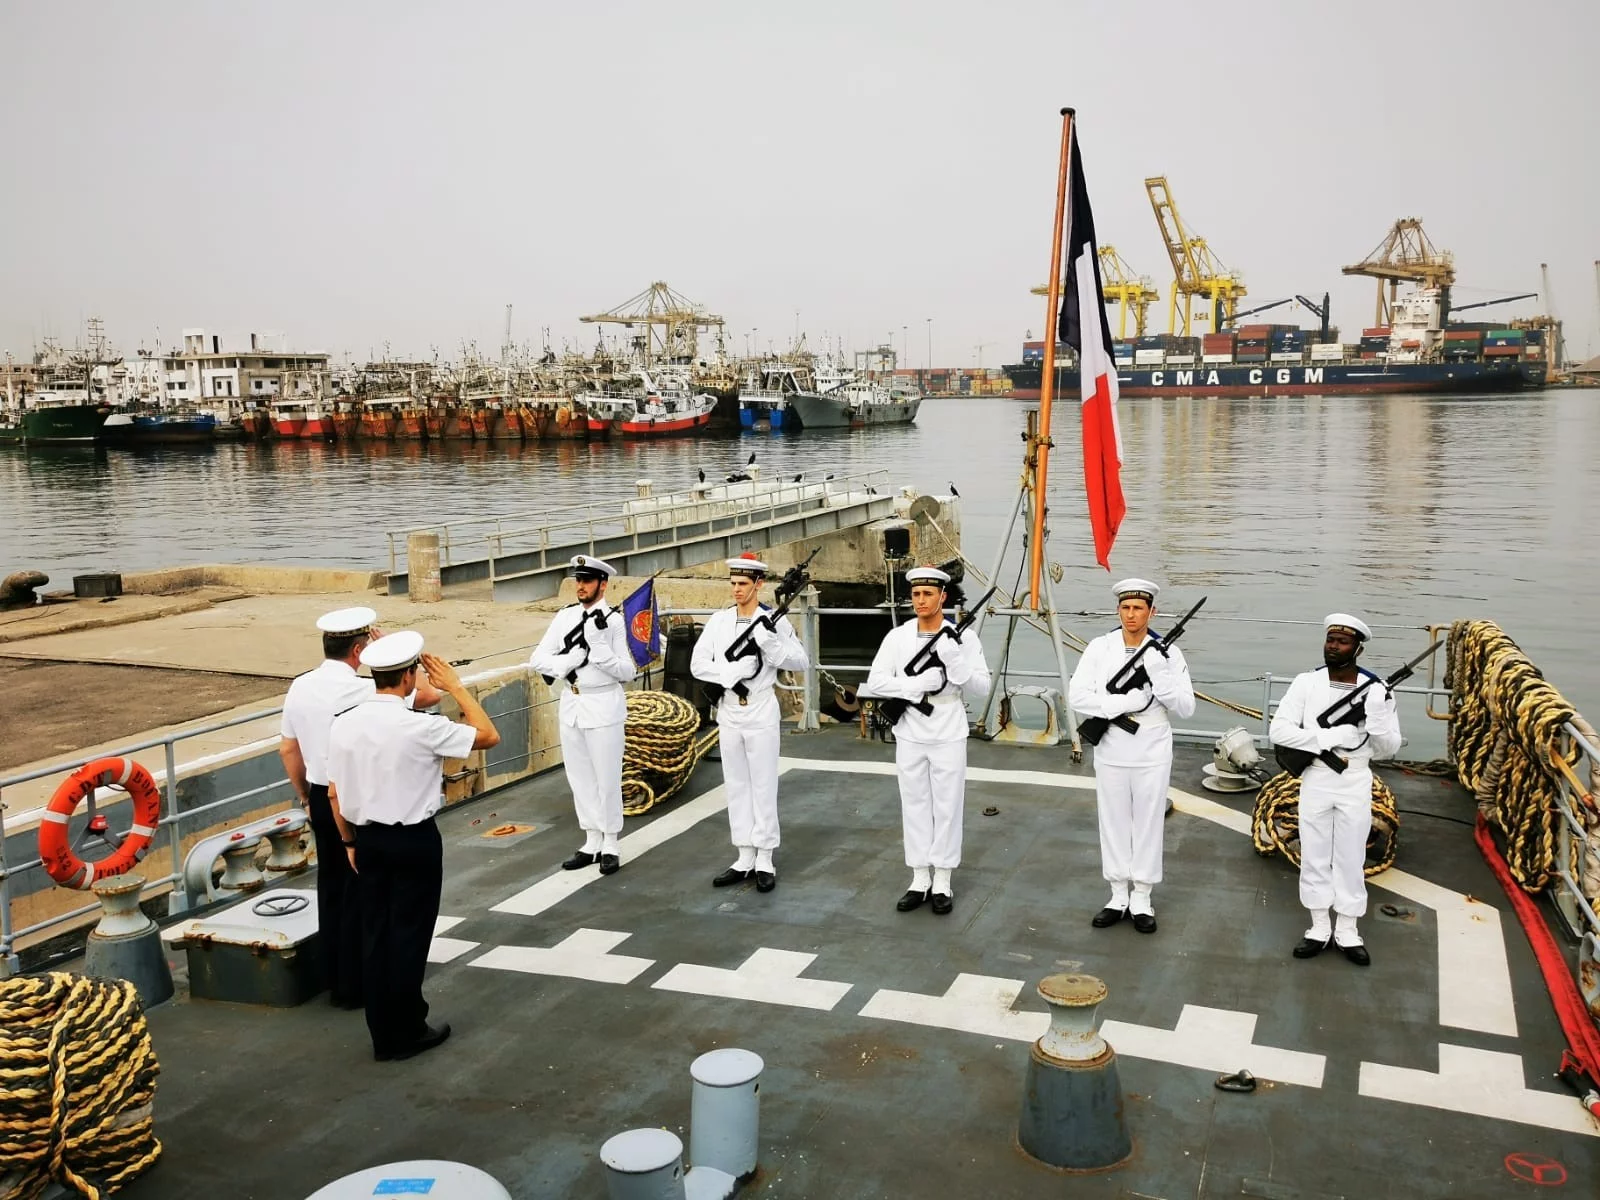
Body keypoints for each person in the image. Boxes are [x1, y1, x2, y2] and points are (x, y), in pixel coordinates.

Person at [326, 631, 499, 1061]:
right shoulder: (421, 727)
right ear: (408, 678)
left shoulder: (344, 722)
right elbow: (487, 735)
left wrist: (348, 841)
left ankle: (381, 1030)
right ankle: (405, 1031)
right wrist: (455, 686)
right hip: (412, 841)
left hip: (366, 839)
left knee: (376, 934)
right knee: (409, 935)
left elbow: (333, 793)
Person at [277, 606, 440, 1009]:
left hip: (318, 792)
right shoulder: (364, 689)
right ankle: (359, 985)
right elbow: (432, 694)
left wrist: (304, 796)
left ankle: (334, 978)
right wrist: (391, 652)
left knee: (331, 888)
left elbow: (288, 748)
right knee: (365, 896)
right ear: (358, 650)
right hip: (353, 797)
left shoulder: (300, 686)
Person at [1269, 613, 1402, 966]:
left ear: (1357, 647)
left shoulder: (1376, 691)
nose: (1334, 647)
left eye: (1342, 642)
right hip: (1316, 775)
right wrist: (1329, 737)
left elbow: (1389, 748)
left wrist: (1376, 721)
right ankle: (1317, 927)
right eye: (1331, 640)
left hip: (1355, 779)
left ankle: (1347, 929)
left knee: (1350, 856)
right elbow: (1279, 732)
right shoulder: (1306, 683)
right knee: (1314, 852)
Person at [1068, 578, 1196, 935]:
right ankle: (1116, 895)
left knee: (1148, 821)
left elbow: (1186, 707)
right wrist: (1121, 703)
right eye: (1125, 607)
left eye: (1138, 608)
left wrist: (1161, 678)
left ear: (1152, 612)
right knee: (1113, 820)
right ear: (1118, 609)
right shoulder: (1101, 647)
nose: (1131, 614)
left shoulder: (1168, 653)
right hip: (1111, 743)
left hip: (1152, 745)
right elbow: (1077, 695)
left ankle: (1141, 896)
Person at [864, 566, 991, 915]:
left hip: (948, 727)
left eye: (928, 595)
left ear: (943, 597)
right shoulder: (898, 637)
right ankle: (920, 877)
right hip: (910, 727)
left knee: (947, 805)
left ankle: (943, 879)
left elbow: (981, 686)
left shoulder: (962, 638)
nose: (920, 601)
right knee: (915, 802)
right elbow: (876, 680)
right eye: (916, 595)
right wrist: (913, 686)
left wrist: (954, 661)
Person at [690, 553, 811, 892]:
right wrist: (729, 673)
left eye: (743, 584)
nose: (737, 590)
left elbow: (800, 660)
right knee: (736, 784)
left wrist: (771, 644)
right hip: (729, 708)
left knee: (763, 785)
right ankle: (744, 854)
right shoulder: (719, 621)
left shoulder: (772, 621)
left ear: (759, 585)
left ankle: (765, 857)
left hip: (759, 708)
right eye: (733, 584)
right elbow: (699, 665)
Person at [528, 555, 635, 875]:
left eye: (587, 581)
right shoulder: (565, 618)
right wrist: (564, 664)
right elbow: (538, 658)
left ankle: (611, 842)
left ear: (602, 584)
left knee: (606, 778)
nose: (580, 586)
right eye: (578, 580)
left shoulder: (614, 621)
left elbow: (627, 670)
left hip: (603, 705)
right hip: (572, 704)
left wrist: (600, 651)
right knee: (580, 778)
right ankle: (591, 840)